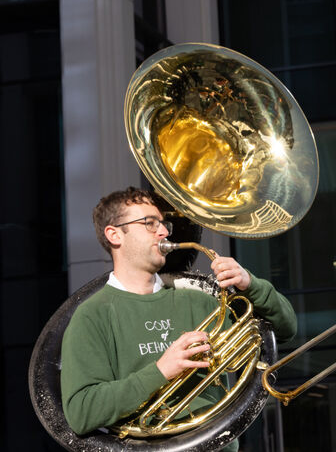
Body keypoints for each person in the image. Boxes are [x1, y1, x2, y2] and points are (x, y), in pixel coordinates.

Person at [60, 187, 297, 451]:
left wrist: (250, 284)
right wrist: (161, 370)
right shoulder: (92, 316)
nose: (163, 232)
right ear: (115, 234)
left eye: (163, 224)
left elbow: (285, 329)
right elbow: (81, 412)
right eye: (149, 223)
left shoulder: (198, 301)